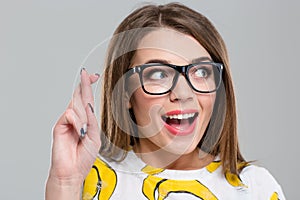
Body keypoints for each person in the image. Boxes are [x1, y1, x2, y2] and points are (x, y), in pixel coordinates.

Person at [45, 3, 285, 200]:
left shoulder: (255, 189)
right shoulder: (90, 178)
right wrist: (64, 183)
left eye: (201, 71)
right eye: (159, 73)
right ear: (126, 92)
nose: (183, 93)